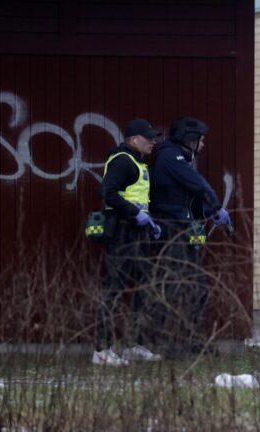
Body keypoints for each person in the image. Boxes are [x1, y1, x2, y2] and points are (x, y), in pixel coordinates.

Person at [150, 116, 230, 357]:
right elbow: (198, 184)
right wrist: (216, 206)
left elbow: (183, 202)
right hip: (171, 231)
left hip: (182, 228)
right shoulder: (170, 157)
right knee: (176, 286)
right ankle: (164, 344)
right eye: (201, 140)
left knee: (196, 287)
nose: (203, 145)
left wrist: (208, 213)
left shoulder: (178, 159)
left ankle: (194, 341)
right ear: (189, 138)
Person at [93, 119, 163, 366]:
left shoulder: (138, 162)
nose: (153, 142)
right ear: (134, 139)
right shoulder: (123, 161)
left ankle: (134, 344)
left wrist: (149, 222)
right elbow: (107, 193)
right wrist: (135, 214)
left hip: (137, 233)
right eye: (148, 138)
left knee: (143, 288)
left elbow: (137, 197)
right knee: (113, 290)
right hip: (122, 232)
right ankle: (102, 350)